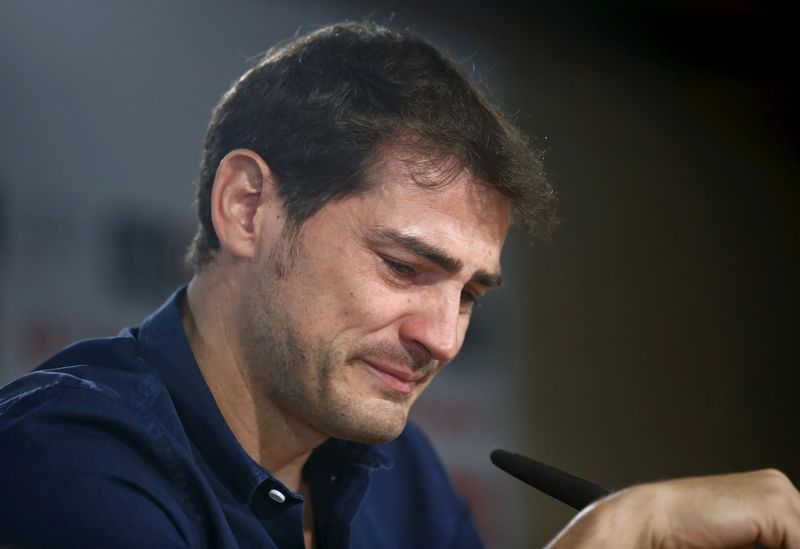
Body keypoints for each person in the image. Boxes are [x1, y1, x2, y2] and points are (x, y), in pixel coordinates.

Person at [0, 20, 798, 549]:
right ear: (247, 208)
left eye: (470, 294)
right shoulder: (61, 461)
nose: (443, 337)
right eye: (406, 267)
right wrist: (627, 528)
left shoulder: (400, 470)